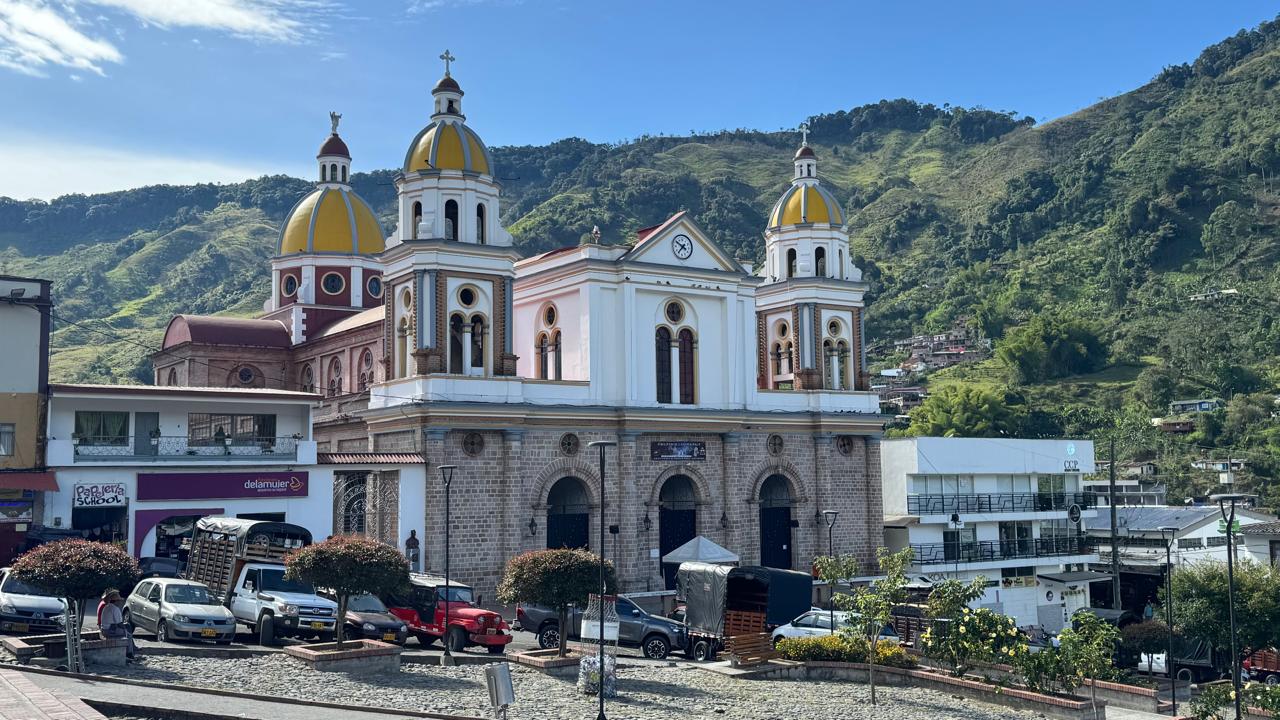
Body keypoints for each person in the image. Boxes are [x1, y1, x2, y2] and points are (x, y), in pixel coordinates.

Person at [98, 589, 136, 662]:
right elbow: (119, 623)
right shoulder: (115, 609)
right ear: (116, 601)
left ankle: (129, 652)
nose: (120, 602)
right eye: (119, 601)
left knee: (126, 630)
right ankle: (129, 654)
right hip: (109, 630)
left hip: (104, 629)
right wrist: (125, 630)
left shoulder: (107, 607)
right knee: (128, 634)